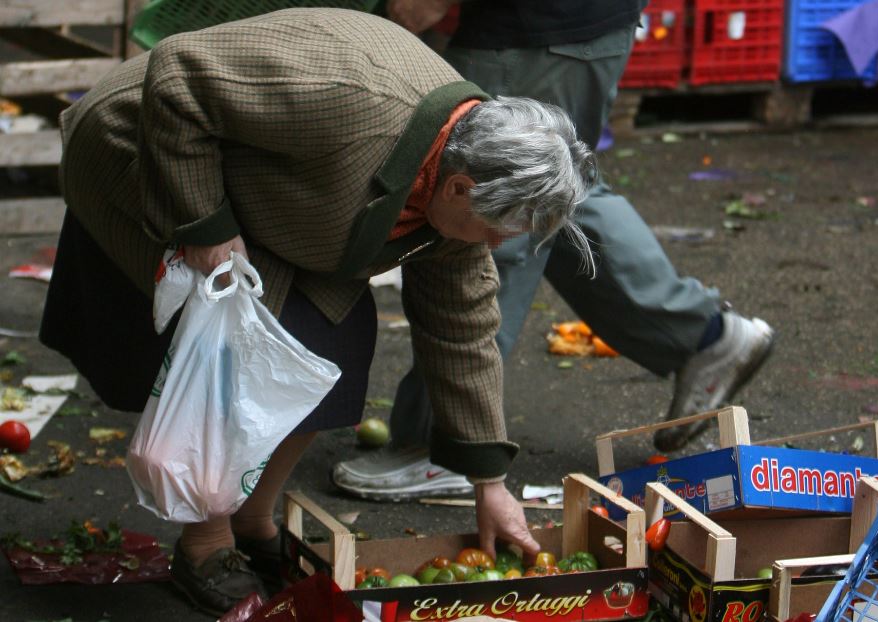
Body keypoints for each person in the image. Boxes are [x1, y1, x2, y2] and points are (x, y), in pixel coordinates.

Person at [38, 8, 597, 616]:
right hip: (147, 147)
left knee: (338, 341)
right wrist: (204, 224)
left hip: (274, 195)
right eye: (496, 230)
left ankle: (253, 518)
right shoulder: (348, 98)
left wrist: (489, 485)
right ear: (458, 188)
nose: (494, 246)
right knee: (248, 340)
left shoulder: (460, 187)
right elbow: (176, 76)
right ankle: (206, 543)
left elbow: (463, 332)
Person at [331, 0, 776, 500]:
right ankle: (701, 335)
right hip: (576, 27)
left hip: (538, 29)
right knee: (547, 188)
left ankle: (445, 446)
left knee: (484, 211)